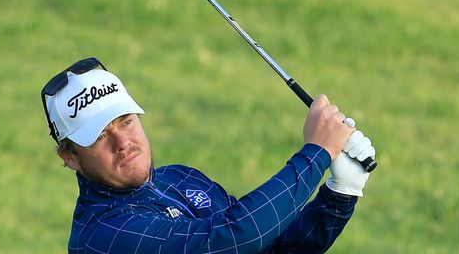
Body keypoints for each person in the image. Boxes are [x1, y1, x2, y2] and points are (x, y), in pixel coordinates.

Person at [41, 57, 376, 253]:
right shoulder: (106, 234)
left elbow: (269, 247)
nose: (122, 142)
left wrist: (338, 195)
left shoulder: (180, 178)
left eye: (126, 122)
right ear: (69, 156)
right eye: (100, 136)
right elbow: (235, 236)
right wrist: (316, 153)